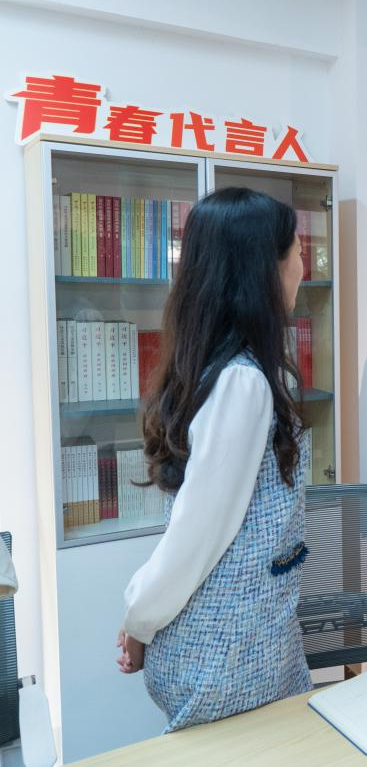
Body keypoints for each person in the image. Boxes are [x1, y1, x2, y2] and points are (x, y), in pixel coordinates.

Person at [116, 187, 310, 732]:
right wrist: (140, 619)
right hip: (228, 652)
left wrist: (142, 614)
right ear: (263, 271)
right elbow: (198, 532)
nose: (303, 266)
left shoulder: (221, 368)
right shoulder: (243, 382)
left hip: (238, 639)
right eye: (297, 252)